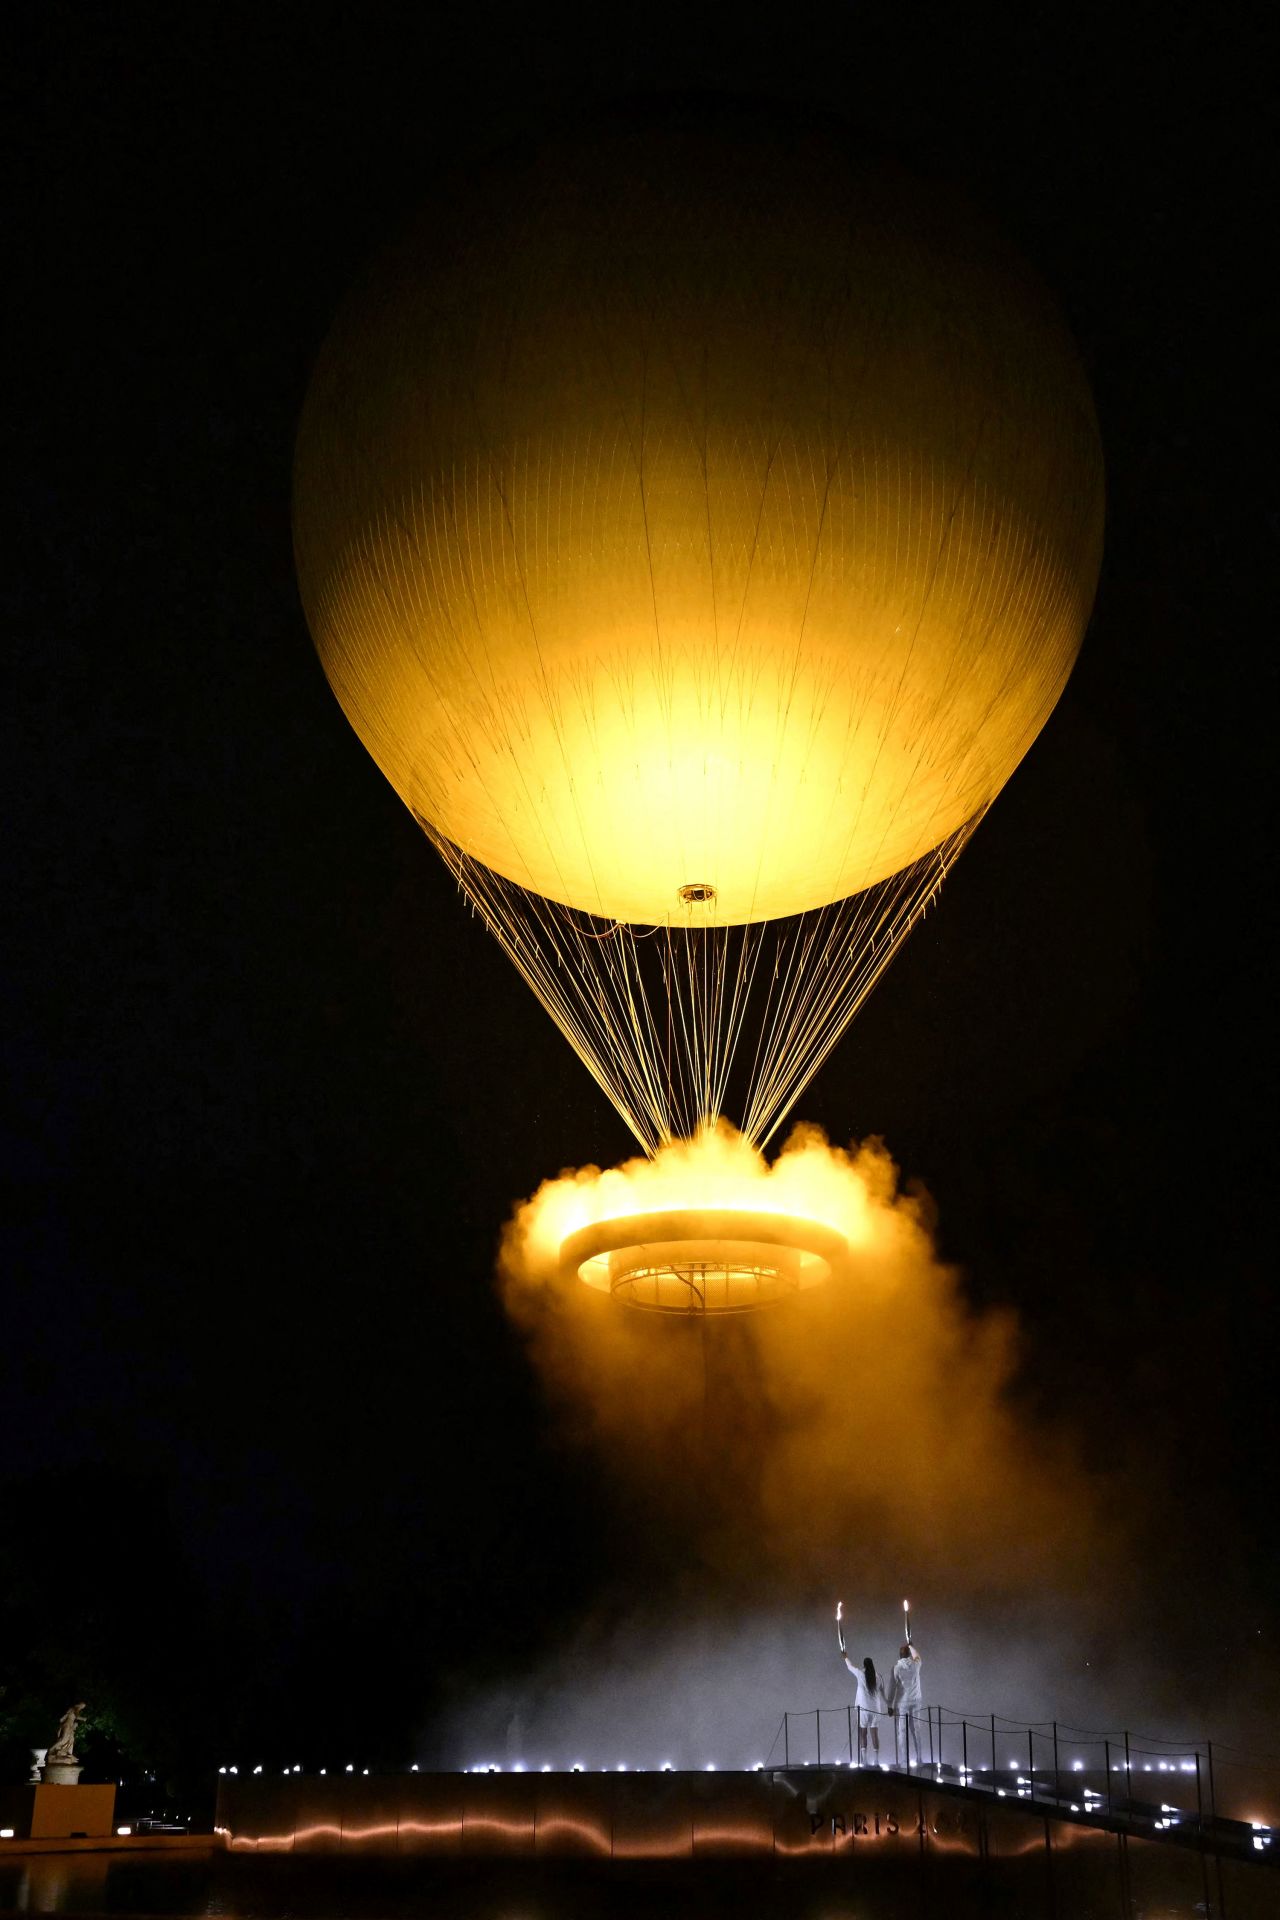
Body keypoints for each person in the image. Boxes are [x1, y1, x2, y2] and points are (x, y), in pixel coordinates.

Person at [841, 1649, 889, 1765]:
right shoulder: (879, 1677)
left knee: (863, 1734)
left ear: (864, 1665)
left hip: (863, 1710)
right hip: (876, 1710)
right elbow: (883, 1694)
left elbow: (850, 1667)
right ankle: (876, 1760)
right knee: (874, 1734)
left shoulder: (860, 1674)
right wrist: (889, 1706)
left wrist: (845, 1657)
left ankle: (864, 1760)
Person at [890, 1642, 925, 1767]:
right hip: (916, 1701)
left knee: (902, 1731)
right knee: (916, 1729)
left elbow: (894, 1688)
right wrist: (911, 1646)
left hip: (903, 1702)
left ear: (899, 1655)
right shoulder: (916, 1665)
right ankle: (919, 1759)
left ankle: (904, 1761)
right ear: (909, 1654)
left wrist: (892, 1706)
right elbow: (918, 1656)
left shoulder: (897, 1668)